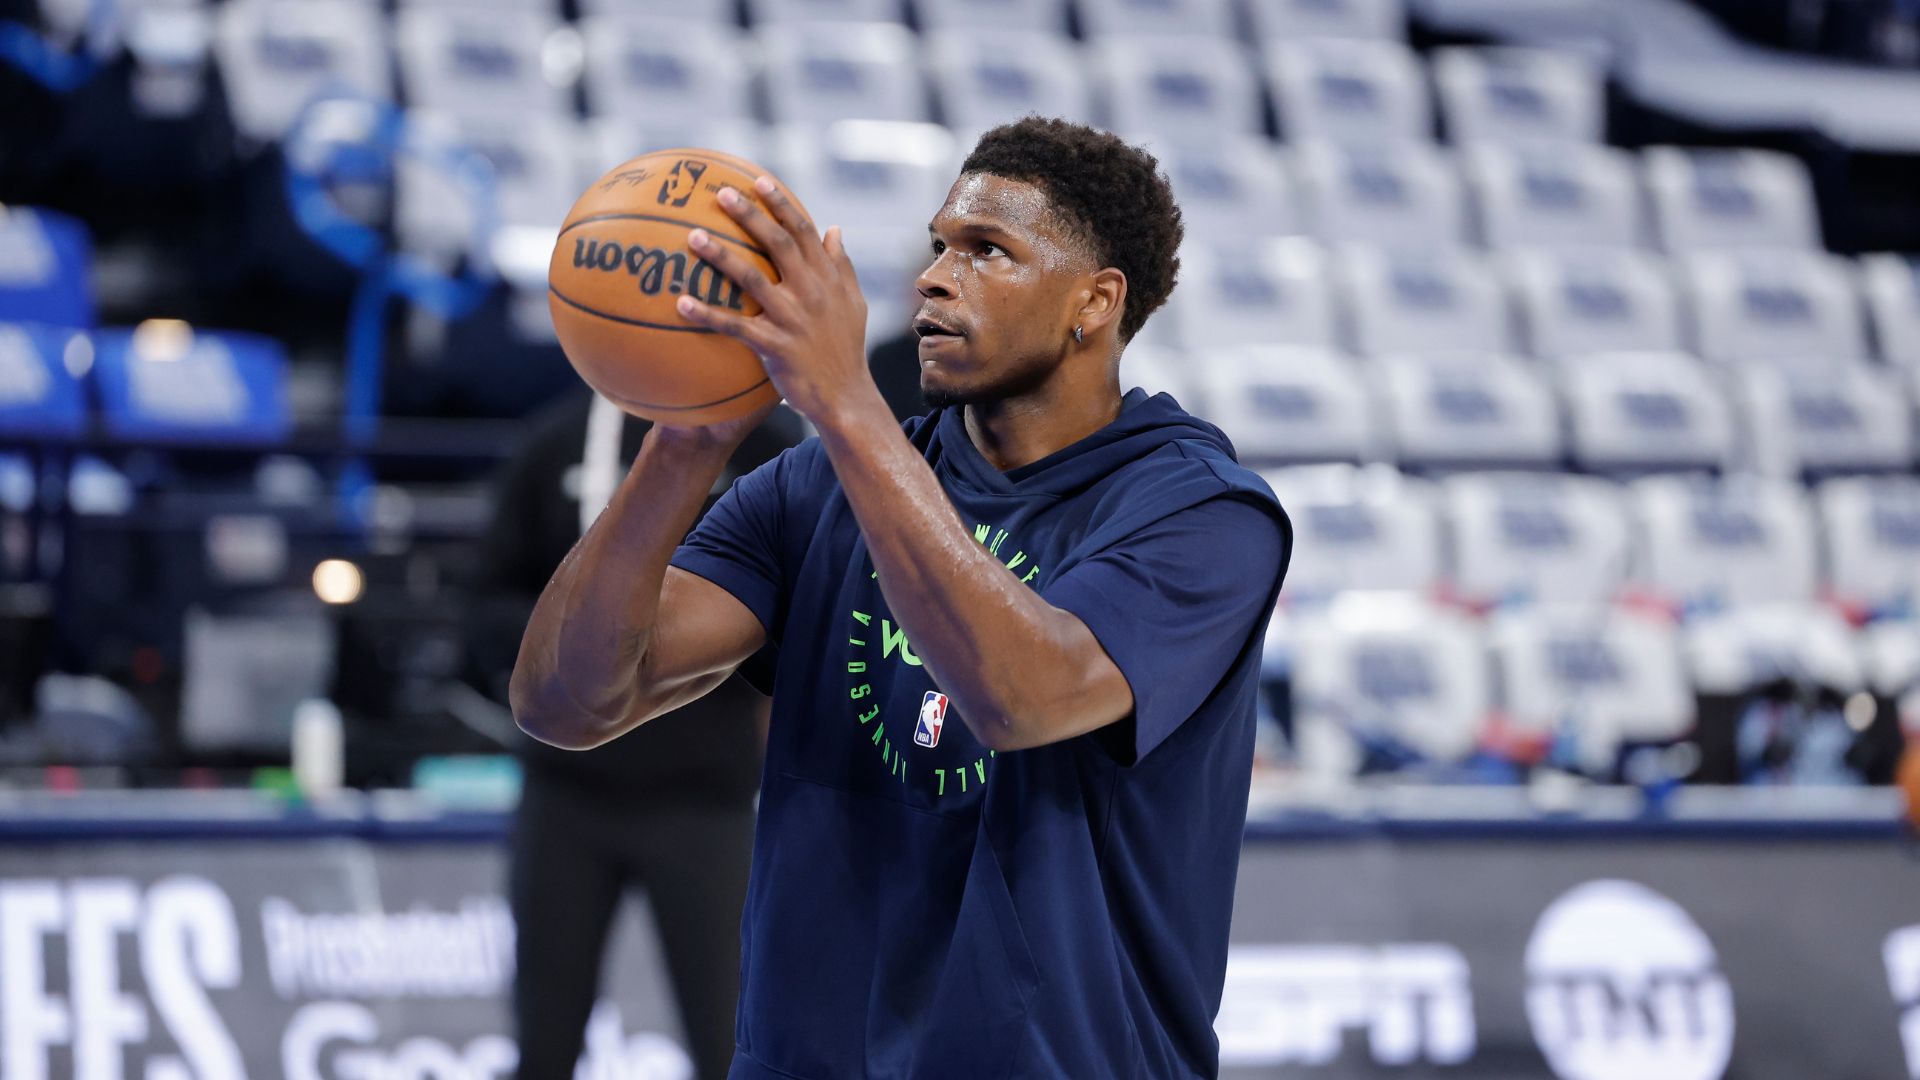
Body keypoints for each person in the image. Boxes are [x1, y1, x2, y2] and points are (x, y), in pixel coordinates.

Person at [511, 118, 1293, 1078]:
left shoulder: (1201, 512)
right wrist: (687, 435)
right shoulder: (815, 490)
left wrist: (843, 400)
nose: (932, 276)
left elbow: (1022, 696)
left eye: (986, 250)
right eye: (937, 247)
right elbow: (565, 701)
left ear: (1095, 300)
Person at [471, 387, 802, 1080]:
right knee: (544, 1044)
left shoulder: (767, 446)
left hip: (705, 799)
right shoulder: (553, 442)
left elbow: (803, 611)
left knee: (732, 1047)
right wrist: (585, 639)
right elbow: (484, 605)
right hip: (566, 795)